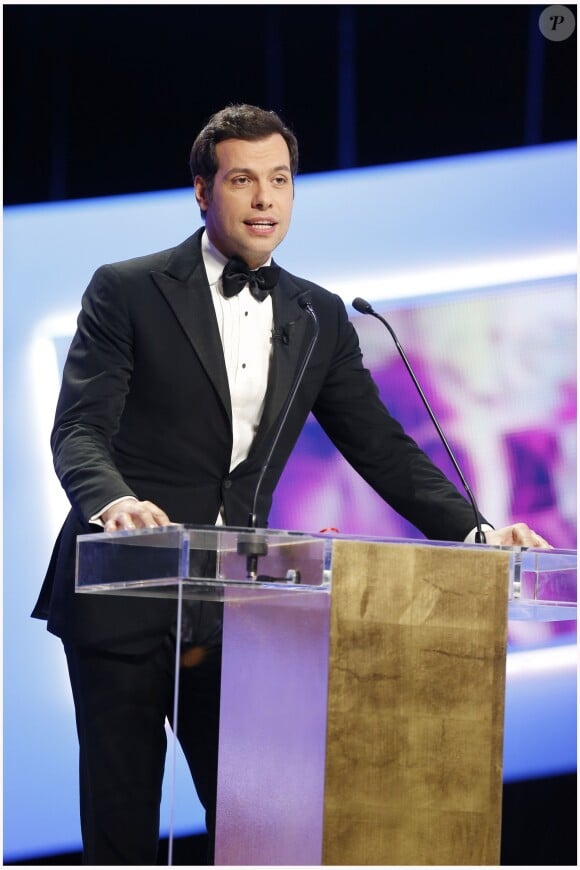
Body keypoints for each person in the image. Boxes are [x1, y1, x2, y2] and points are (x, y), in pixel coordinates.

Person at [32, 103, 551, 865]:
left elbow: (381, 447)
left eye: (280, 181)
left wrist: (475, 532)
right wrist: (114, 502)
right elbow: (79, 428)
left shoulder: (318, 316)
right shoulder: (127, 290)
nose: (265, 199)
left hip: (240, 616)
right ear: (204, 192)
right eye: (243, 180)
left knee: (259, 832)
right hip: (124, 597)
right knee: (123, 834)